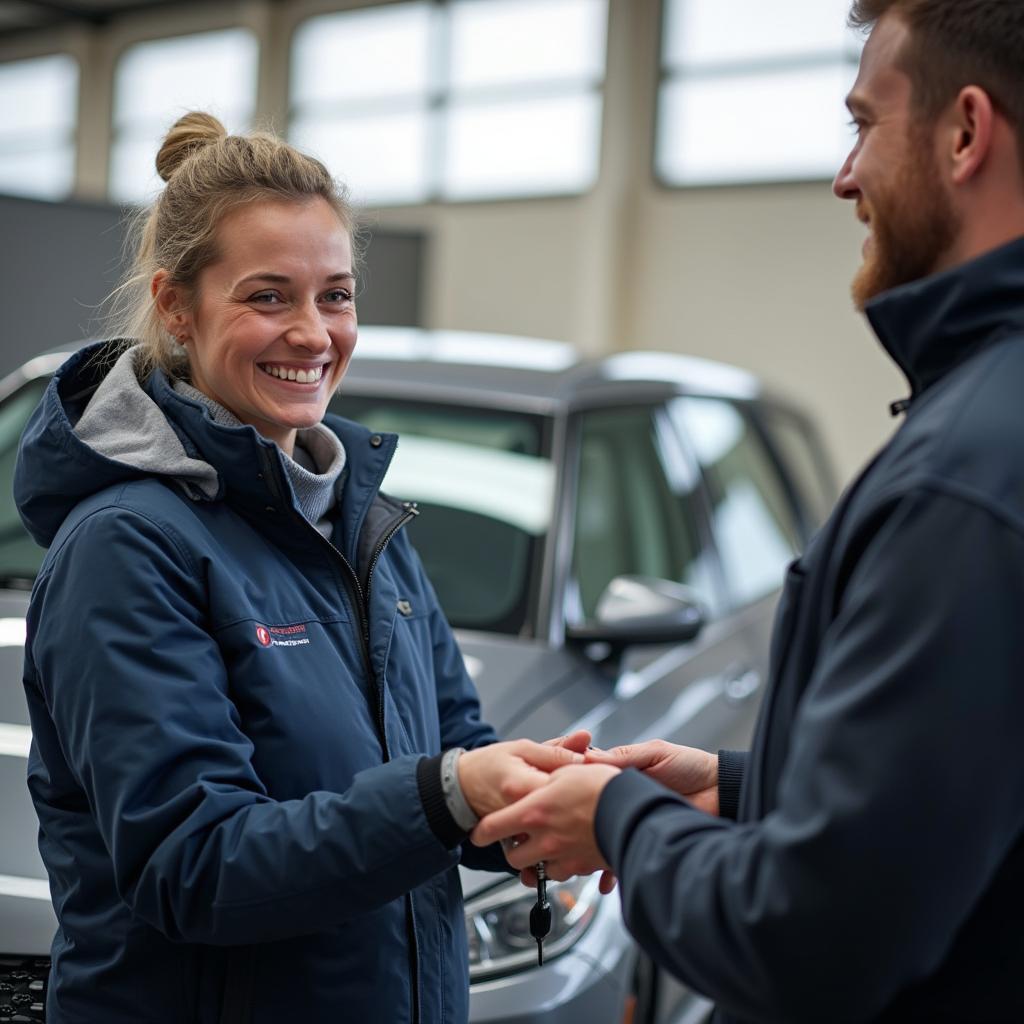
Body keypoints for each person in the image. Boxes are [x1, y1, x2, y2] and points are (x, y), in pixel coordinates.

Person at [474, 2, 1024, 1021]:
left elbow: (812, 933)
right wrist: (740, 780)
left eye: (865, 122)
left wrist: (623, 816)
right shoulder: (983, 421)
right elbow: (950, 804)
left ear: (964, 133)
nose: (844, 175)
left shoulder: (965, 479)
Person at [14, 111, 588, 1024]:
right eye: (269, 297)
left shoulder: (365, 524)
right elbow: (193, 866)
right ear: (176, 305)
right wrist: (447, 798)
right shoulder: (128, 547)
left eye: (337, 295)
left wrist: (534, 797)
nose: (314, 334)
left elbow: (451, 753)